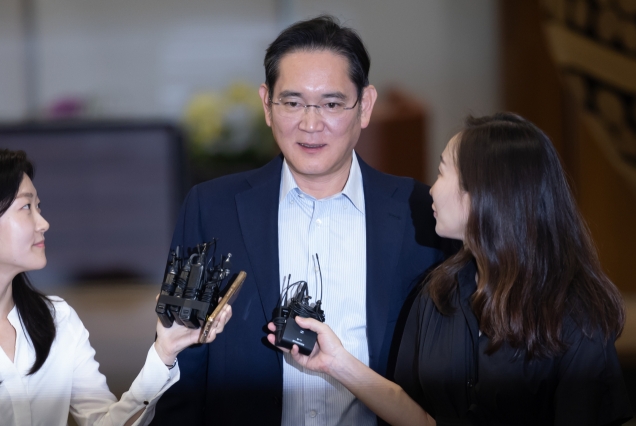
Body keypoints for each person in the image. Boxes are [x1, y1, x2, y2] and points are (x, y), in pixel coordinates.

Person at [151, 15, 446, 426]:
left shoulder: (420, 212)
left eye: (331, 103)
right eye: (292, 103)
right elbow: (181, 363)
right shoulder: (211, 208)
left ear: (365, 105)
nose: (310, 124)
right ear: (266, 104)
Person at [270, 112, 634, 425]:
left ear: (485, 194)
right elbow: (418, 416)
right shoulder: (438, 292)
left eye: (443, 172)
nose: (432, 189)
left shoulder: (573, 312)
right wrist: (336, 363)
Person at [0, 149, 232, 426]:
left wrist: (165, 351)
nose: (43, 223)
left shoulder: (56, 320)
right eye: (26, 207)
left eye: (39, 207)